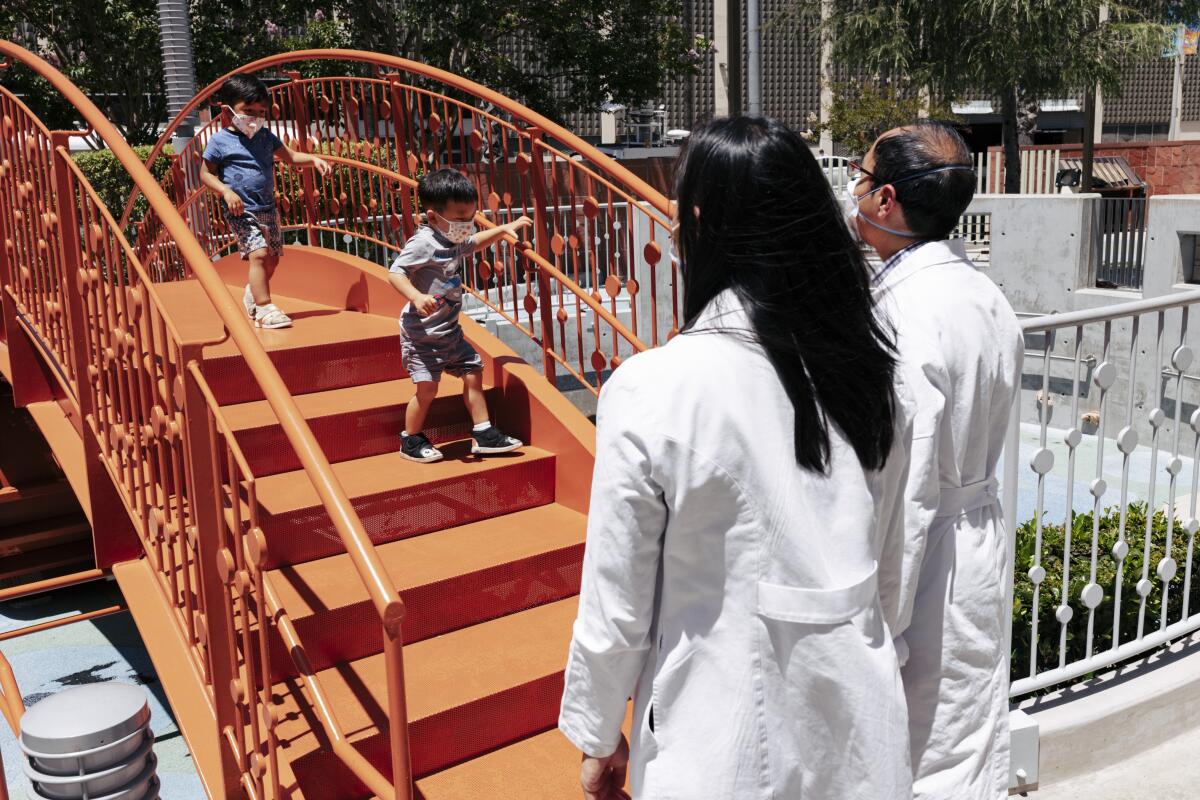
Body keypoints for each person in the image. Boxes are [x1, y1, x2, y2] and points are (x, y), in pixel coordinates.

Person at [559, 116, 915, 799]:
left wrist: (597, 734)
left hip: (716, 740)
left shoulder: (654, 388)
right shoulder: (876, 376)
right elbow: (887, 565)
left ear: (699, 219)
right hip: (861, 723)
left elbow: (617, 602)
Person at [845, 121, 1023, 799]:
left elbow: (908, 491)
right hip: (975, 542)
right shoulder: (983, 295)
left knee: (920, 752)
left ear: (885, 199)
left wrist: (881, 625)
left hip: (925, 564)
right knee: (967, 731)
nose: (853, 189)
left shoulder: (903, 316)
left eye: (861, 178)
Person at [389, 168, 531, 462]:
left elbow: (474, 243)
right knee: (427, 389)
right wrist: (416, 296)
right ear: (433, 217)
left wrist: (504, 230)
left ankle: (483, 432)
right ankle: (410, 440)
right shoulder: (424, 242)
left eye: (471, 217)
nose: (467, 224)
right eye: (460, 218)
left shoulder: (451, 237)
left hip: (449, 331)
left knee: (472, 374)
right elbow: (396, 272)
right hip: (422, 335)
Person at [199, 72, 331, 329]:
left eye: (261, 112)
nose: (255, 118)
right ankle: (263, 307)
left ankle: (253, 291)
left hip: (267, 208)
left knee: (272, 258)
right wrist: (226, 191)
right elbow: (205, 174)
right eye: (247, 110)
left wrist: (313, 160)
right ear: (227, 110)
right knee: (258, 254)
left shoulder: (266, 137)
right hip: (241, 210)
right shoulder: (219, 141)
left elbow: (291, 157)